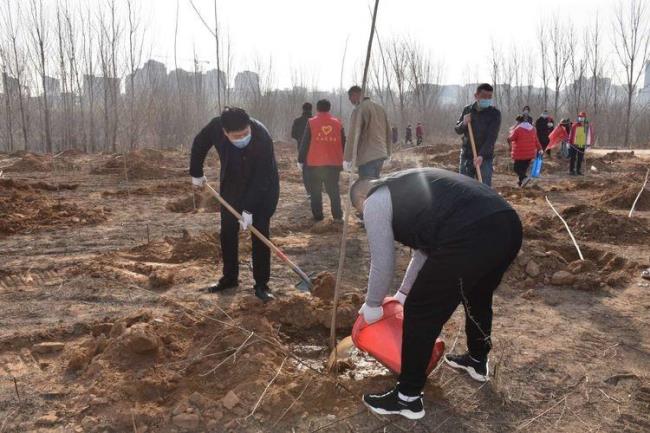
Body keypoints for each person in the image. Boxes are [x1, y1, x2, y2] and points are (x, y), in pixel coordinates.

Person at [352, 168, 522, 420]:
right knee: (477, 293)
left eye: (359, 213)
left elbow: (382, 261)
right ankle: (477, 360)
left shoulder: (375, 201)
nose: (363, 217)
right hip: (507, 224)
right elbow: (425, 250)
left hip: (472, 232)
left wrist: (373, 305)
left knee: (420, 310)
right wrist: (402, 294)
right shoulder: (407, 187)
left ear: (362, 199)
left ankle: (407, 398)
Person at [190, 107, 279, 303]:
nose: (243, 137)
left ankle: (261, 284)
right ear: (225, 132)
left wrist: (248, 210)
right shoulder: (215, 127)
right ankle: (229, 278)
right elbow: (199, 144)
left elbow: (262, 178)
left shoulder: (262, 137)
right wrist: (196, 172)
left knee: (260, 233)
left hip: (263, 189)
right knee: (228, 231)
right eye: (237, 136)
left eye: (246, 133)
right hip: (232, 186)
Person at [298, 99, 345, 221]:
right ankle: (338, 216)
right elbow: (344, 142)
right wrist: (344, 158)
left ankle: (318, 217)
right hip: (334, 163)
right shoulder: (338, 123)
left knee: (315, 192)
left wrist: (301, 160)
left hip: (314, 164)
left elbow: (305, 142)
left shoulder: (312, 122)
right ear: (329, 108)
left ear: (317, 109)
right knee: (334, 191)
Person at [455, 83, 501, 187]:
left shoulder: (494, 114)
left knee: (484, 187)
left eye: (490, 97)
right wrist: (464, 123)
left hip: (485, 158)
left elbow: (491, 137)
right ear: (476, 96)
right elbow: (457, 129)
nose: (487, 99)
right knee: (464, 187)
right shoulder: (468, 110)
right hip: (467, 155)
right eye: (484, 96)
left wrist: (481, 155)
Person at [344, 86, 391, 179]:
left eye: (350, 97)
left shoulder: (359, 109)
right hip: (381, 154)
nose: (350, 100)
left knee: (366, 188)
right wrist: (388, 153)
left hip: (367, 157)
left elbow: (353, 135)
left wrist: (347, 158)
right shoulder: (380, 108)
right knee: (374, 186)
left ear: (356, 95)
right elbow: (388, 133)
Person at [508, 115, 543, 187]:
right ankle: (521, 183)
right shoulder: (533, 129)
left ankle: (524, 178)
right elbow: (536, 140)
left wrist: (509, 138)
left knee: (516, 168)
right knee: (523, 169)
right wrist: (540, 149)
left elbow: (511, 138)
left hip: (520, 153)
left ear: (518, 121)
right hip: (530, 154)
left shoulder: (518, 129)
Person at [291, 103, 313, 197]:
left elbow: (293, 134)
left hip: (301, 148)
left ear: (302, 109)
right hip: (314, 149)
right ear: (311, 109)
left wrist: (300, 139)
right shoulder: (314, 121)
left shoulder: (297, 121)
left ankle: (309, 192)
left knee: (305, 170)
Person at [568, 111, 594, 176]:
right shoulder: (574, 125)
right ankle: (571, 170)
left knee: (580, 158)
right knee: (573, 158)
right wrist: (569, 143)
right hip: (574, 144)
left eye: (582, 117)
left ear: (585, 118)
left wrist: (588, 144)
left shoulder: (586, 126)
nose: (581, 118)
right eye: (580, 117)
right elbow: (571, 134)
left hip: (581, 144)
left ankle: (578, 170)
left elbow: (589, 135)